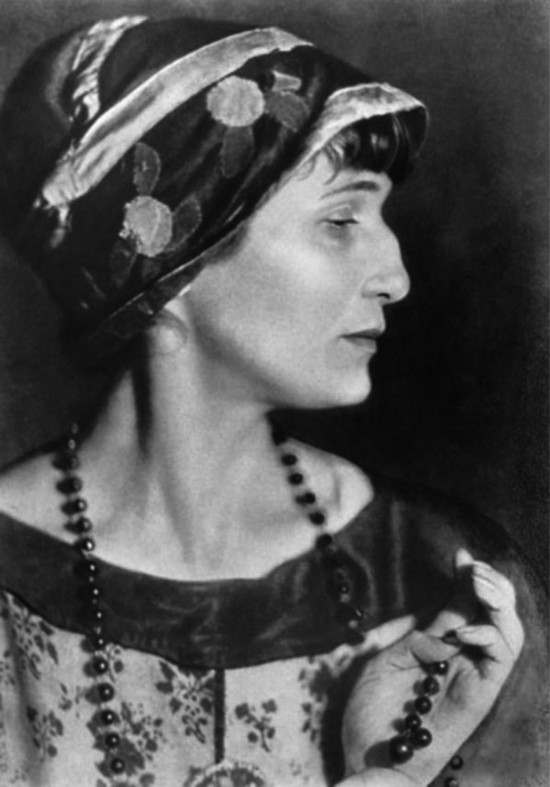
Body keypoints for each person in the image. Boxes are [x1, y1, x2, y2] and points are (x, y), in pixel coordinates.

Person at [0, 15, 546, 787]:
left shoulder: (447, 581)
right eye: (340, 220)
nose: (396, 277)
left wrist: (391, 771)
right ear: (173, 270)